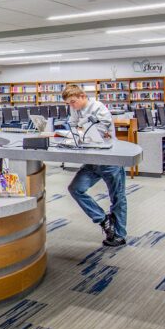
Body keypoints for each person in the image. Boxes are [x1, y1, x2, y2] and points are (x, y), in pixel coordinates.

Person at [63, 84, 126, 247]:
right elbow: (73, 125)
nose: (71, 106)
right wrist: (79, 127)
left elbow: (100, 130)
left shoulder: (99, 108)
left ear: (83, 96)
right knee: (75, 189)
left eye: (73, 102)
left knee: (117, 197)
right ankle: (103, 219)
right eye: (69, 103)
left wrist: (80, 127)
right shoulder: (74, 109)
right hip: (91, 159)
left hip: (109, 159)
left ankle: (119, 235)